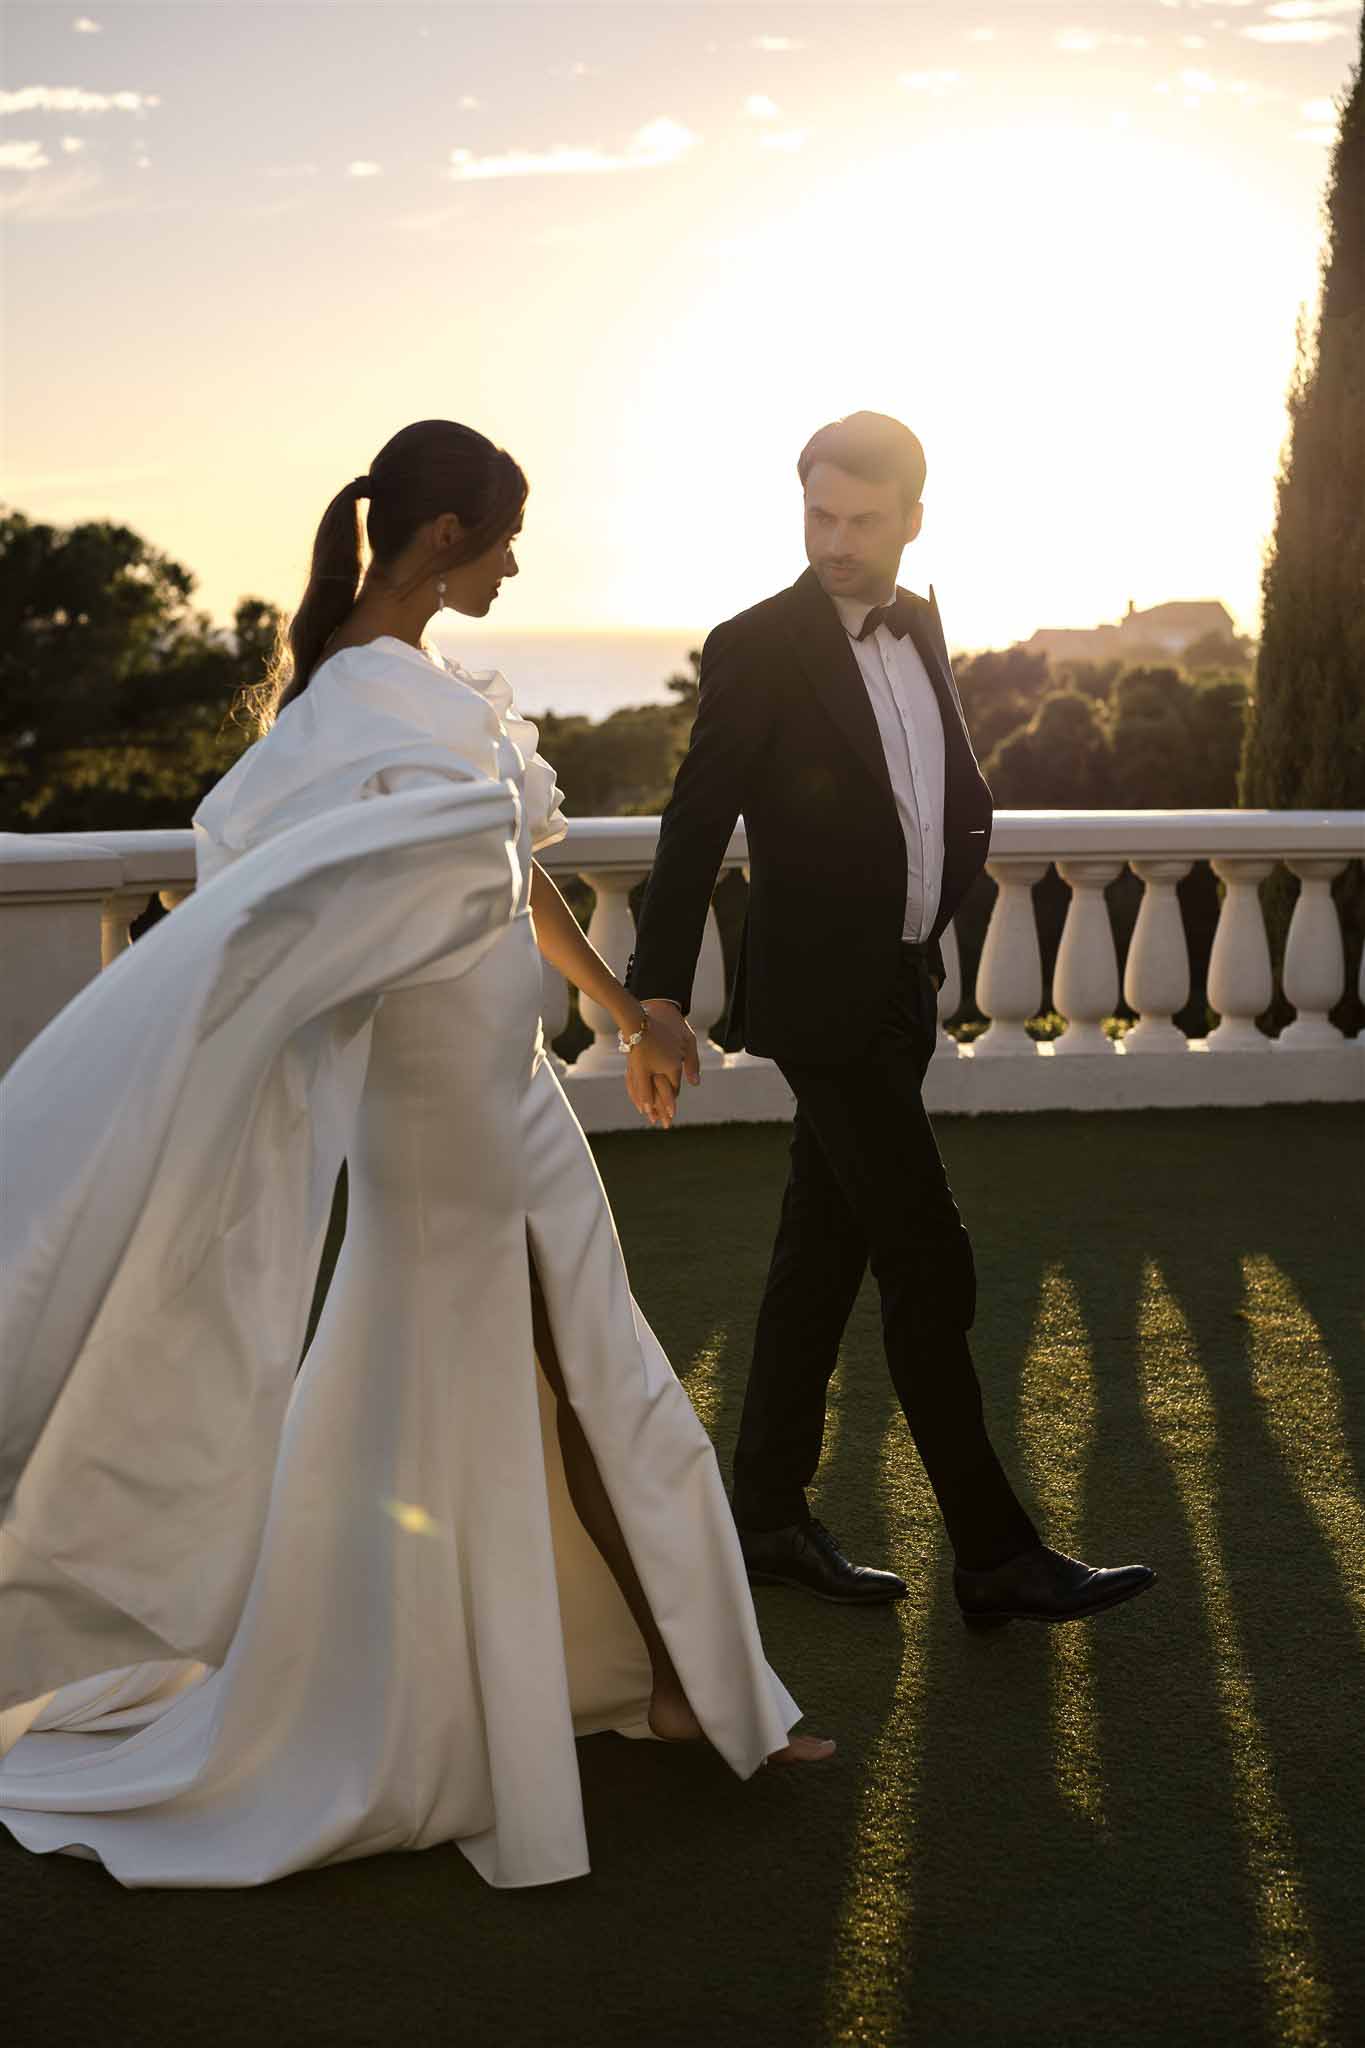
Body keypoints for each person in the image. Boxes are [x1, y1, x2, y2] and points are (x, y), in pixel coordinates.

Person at [0, 418, 831, 1894]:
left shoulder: (435, 700)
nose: (516, 562)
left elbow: (519, 887)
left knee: (577, 1368)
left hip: (504, 1088)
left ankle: (657, 1680)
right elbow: (287, 925)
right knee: (578, 1373)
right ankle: (673, 1693)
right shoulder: (340, 719)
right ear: (442, 538)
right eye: (504, 536)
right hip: (431, 1114)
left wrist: (622, 1003)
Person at [624, 411, 1156, 1627]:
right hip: (823, 1008)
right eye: (820, 515)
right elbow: (695, 823)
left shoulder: (920, 626)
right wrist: (658, 997)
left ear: (913, 516)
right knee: (930, 1255)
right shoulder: (756, 644)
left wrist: (927, 938)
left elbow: (939, 802)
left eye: (864, 520)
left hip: (898, 992)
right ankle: (991, 1550)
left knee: (822, 1254)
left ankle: (762, 1512)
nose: (838, 542)